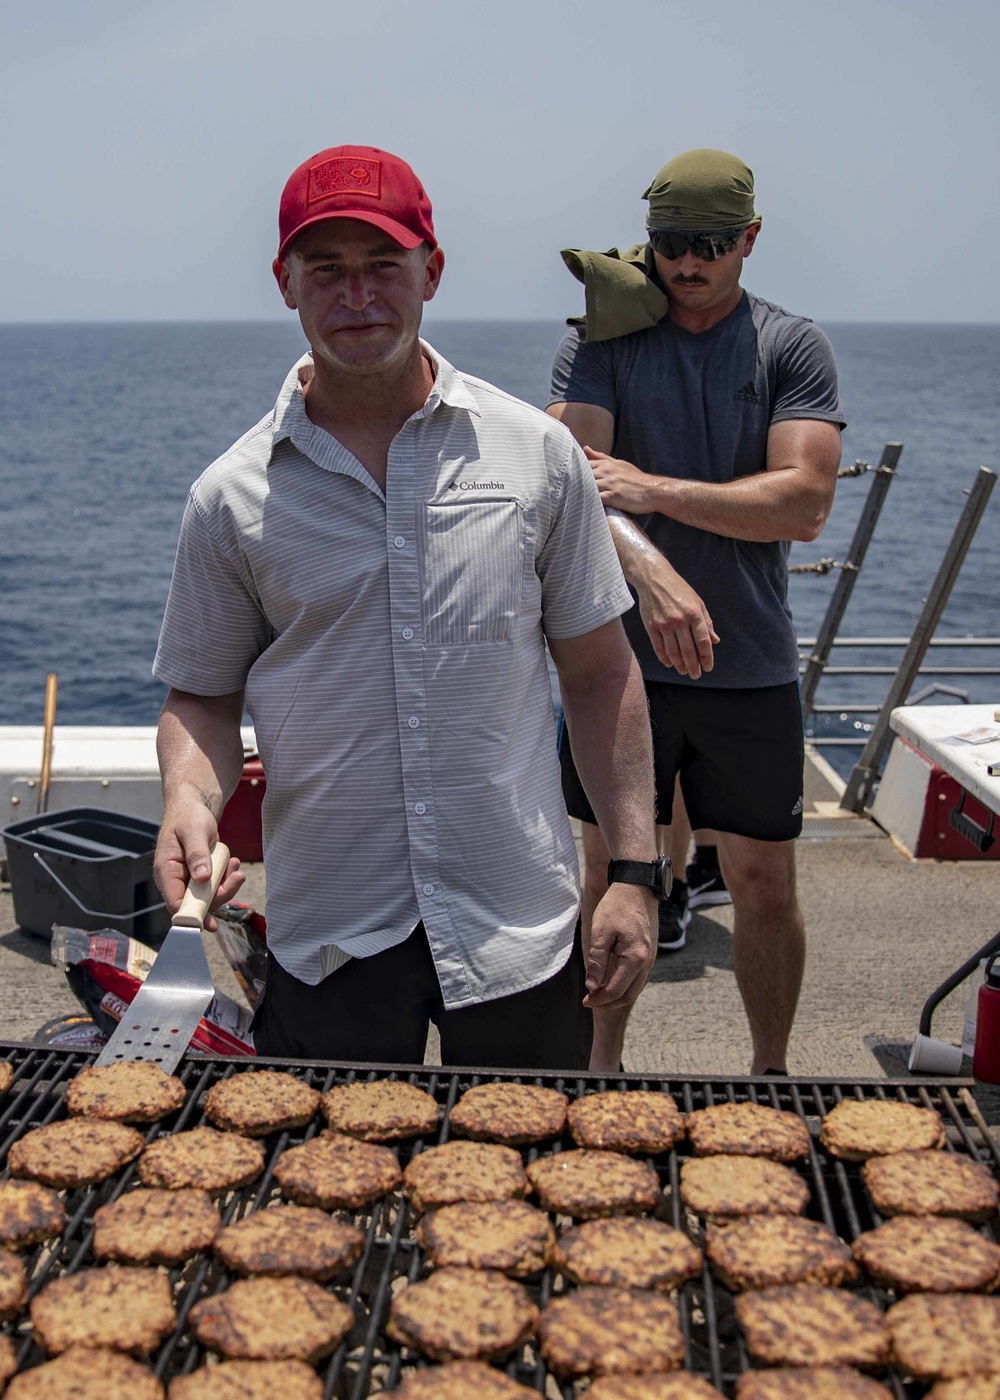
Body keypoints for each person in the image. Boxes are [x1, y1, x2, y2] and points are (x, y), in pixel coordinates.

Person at [151, 143, 662, 1069]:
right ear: (285, 282)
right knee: (319, 1206)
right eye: (327, 270)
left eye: (384, 265)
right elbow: (202, 697)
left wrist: (633, 870)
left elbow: (600, 674)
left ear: (431, 270)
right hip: (330, 927)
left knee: (527, 1194)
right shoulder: (230, 497)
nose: (358, 296)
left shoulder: (536, 459)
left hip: (516, 919)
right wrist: (188, 797)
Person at [548, 148, 845, 1075]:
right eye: (671, 242)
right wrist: (647, 559)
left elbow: (804, 503)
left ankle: (768, 1072)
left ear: (751, 239)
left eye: (712, 244)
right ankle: (600, 1068)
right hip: (616, 666)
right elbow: (572, 484)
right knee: (607, 877)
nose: (688, 262)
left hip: (747, 661)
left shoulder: (789, 346)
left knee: (762, 881)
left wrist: (655, 492)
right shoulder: (601, 338)